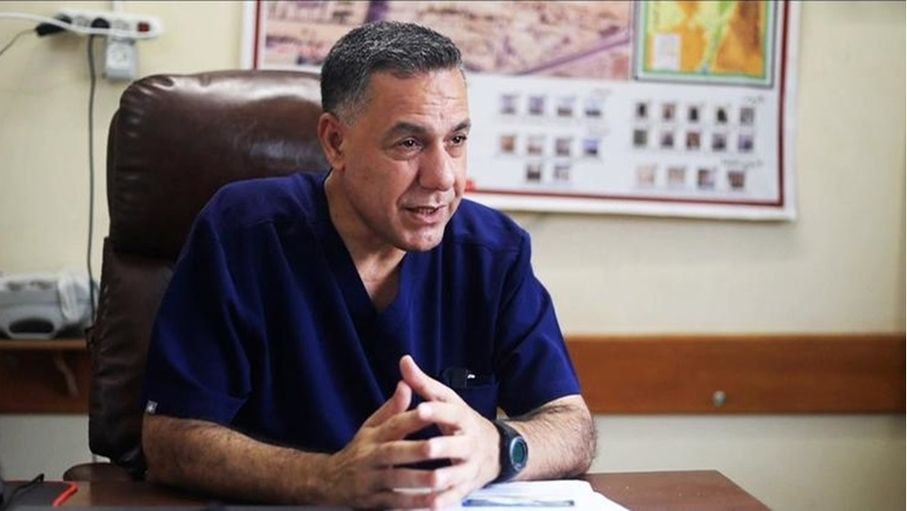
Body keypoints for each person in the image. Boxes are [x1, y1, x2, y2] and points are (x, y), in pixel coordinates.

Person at [141, 21, 595, 509]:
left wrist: (499, 448)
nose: (443, 177)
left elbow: (573, 427)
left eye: (457, 139)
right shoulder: (243, 233)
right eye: (409, 143)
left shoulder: (493, 252)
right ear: (335, 142)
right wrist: (327, 479)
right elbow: (169, 440)